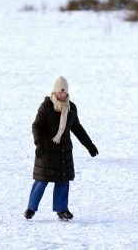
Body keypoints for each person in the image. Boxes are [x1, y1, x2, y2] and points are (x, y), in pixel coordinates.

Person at [24, 76, 98, 221]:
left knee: (63, 180)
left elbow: (76, 128)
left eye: (64, 92)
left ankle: (62, 209)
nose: (62, 95)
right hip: (46, 150)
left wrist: (89, 145)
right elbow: (37, 126)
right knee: (42, 180)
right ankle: (31, 208)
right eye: (60, 92)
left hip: (63, 151)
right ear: (55, 92)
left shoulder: (71, 108)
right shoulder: (46, 106)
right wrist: (39, 143)